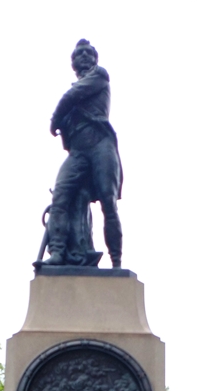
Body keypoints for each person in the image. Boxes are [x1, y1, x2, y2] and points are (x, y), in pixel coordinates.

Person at [41, 39, 123, 269]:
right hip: (78, 153)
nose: (84, 56)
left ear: (95, 58)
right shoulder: (74, 104)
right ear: (73, 63)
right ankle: (57, 251)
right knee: (60, 198)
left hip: (100, 145)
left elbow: (72, 95)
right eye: (79, 54)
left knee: (108, 203)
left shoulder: (99, 76)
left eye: (88, 53)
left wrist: (55, 120)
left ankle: (116, 262)